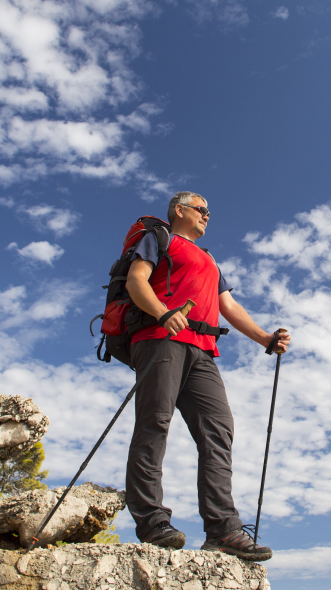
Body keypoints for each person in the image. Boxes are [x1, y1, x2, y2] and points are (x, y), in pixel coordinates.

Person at [125, 191, 291, 562]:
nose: (208, 216)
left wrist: (265, 338)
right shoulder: (159, 239)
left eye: (209, 212)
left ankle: (223, 530)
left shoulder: (210, 260)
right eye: (202, 210)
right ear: (179, 211)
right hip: (160, 339)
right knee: (155, 423)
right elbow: (137, 282)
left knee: (219, 429)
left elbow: (227, 305)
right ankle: (152, 521)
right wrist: (163, 313)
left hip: (202, 351)